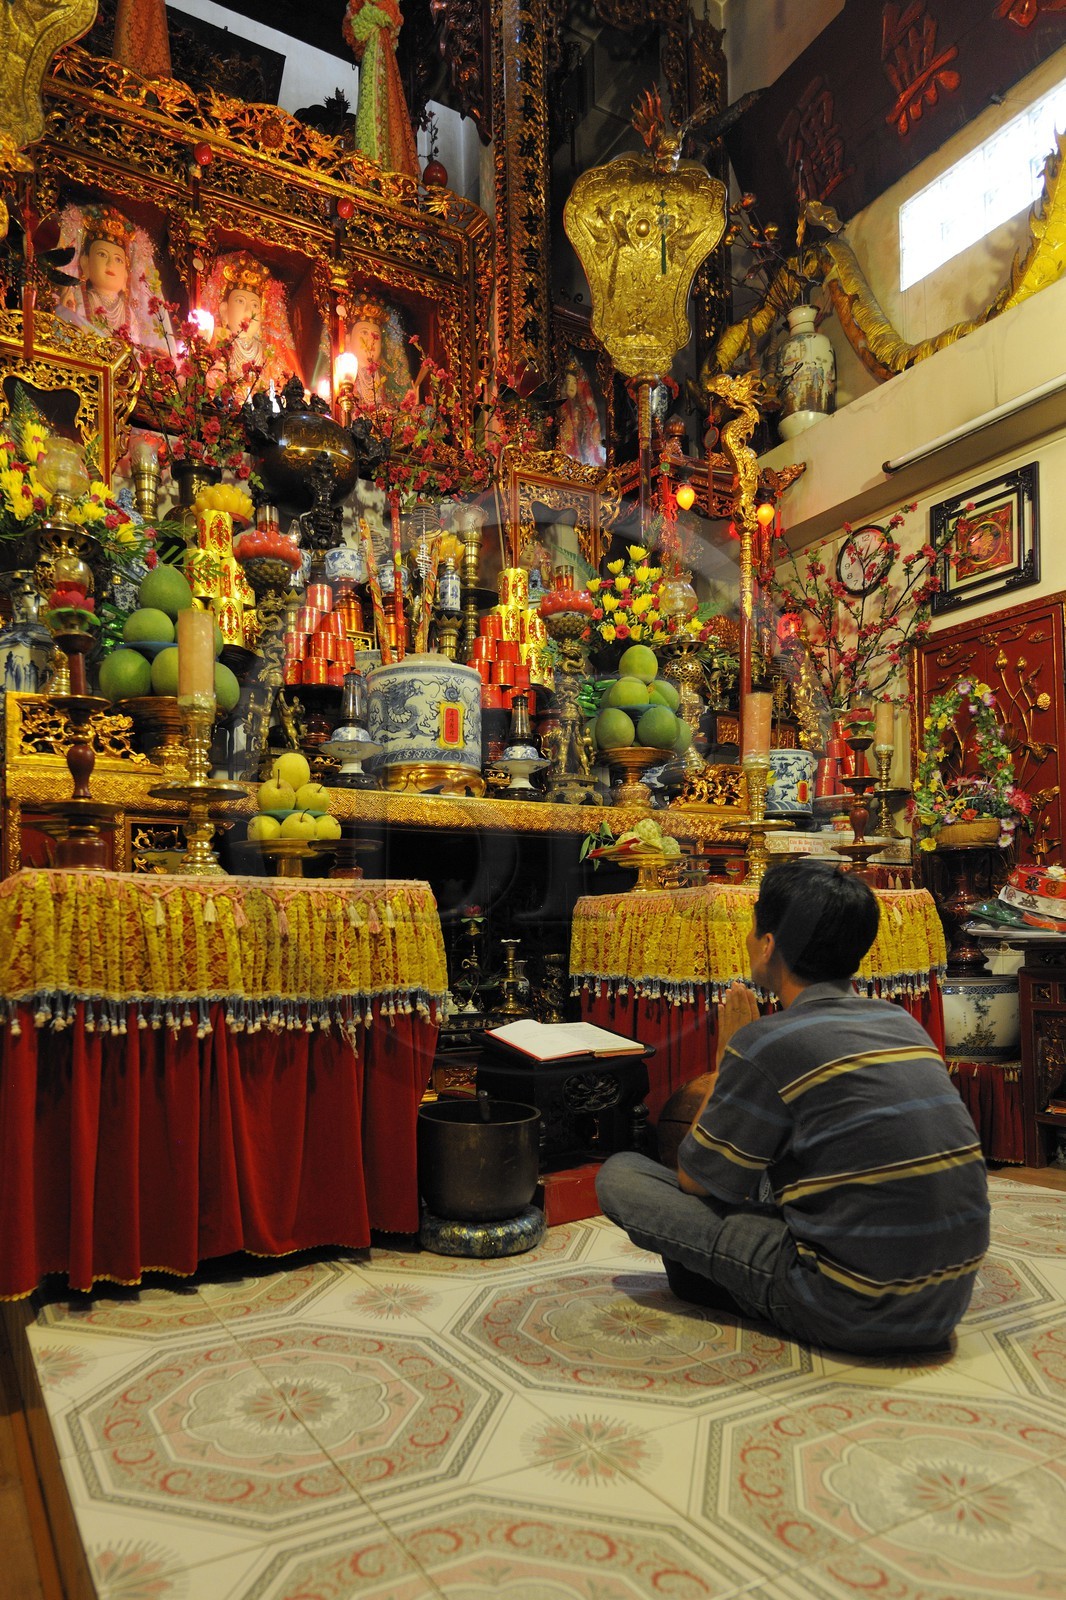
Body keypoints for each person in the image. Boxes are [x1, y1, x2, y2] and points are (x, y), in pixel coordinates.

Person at [596, 859, 990, 1355]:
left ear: (768, 944)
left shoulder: (765, 1041)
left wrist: (726, 1057)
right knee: (769, 1162)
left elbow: (697, 1180)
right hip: (944, 1305)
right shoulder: (900, 1023)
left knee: (622, 1175)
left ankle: (748, 1284)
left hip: (847, 1307)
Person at [207, 252, 300, 397]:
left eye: (255, 305)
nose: (248, 311)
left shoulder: (269, 355)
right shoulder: (217, 345)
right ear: (224, 310)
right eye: (240, 301)